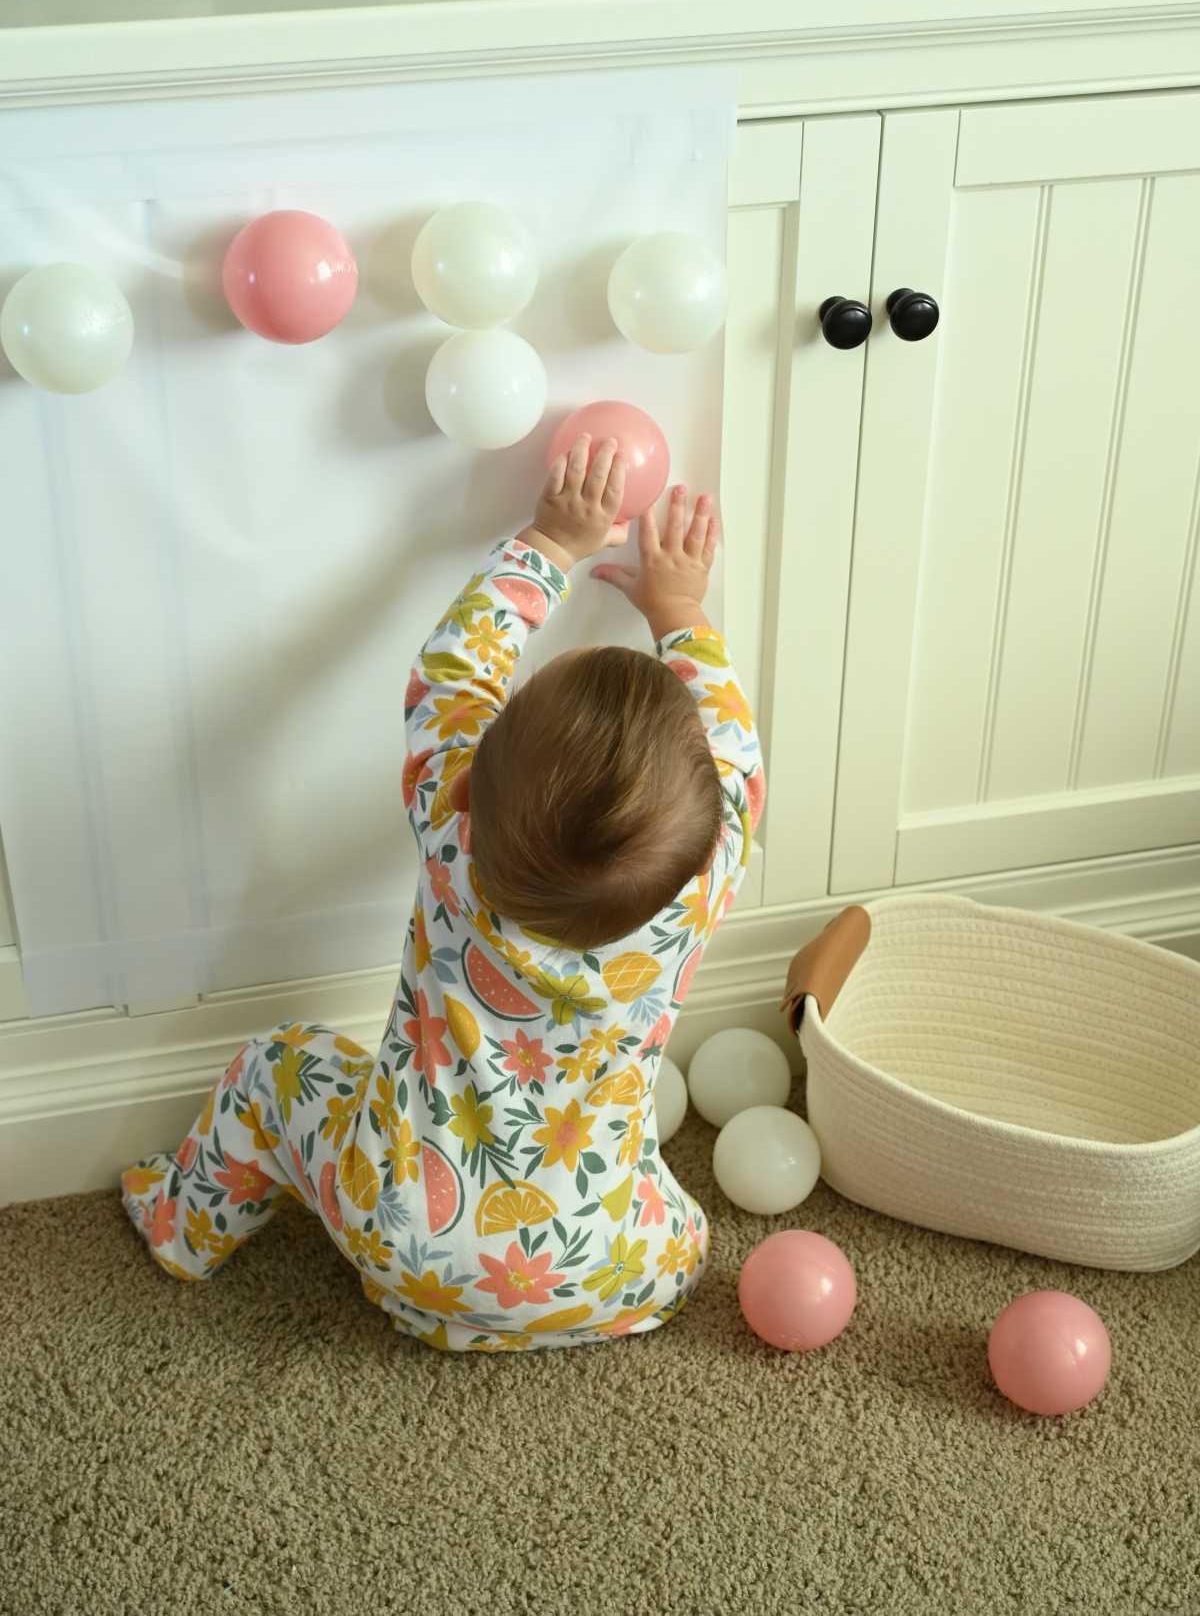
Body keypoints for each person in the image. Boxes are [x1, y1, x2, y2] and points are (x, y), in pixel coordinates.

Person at [121, 434, 765, 1352]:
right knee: (673, 1225)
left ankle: (178, 1229)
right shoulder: (709, 875)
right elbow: (737, 751)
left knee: (276, 1065)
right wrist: (682, 609)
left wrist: (552, 541)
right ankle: (560, 1310)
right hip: (610, 1261)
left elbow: (452, 671)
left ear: (471, 781)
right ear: (713, 824)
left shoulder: (453, 833)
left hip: (403, 1231)